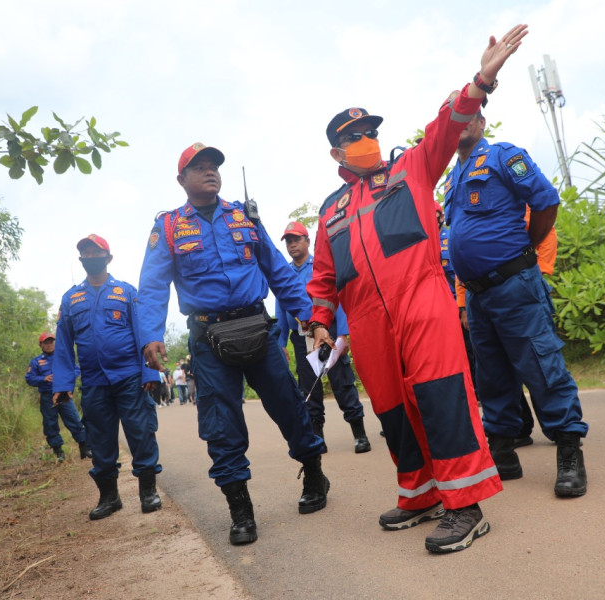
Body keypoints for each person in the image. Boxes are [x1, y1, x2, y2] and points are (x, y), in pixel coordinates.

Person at [307, 26, 527, 554]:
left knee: (441, 395)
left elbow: (446, 126)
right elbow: (322, 277)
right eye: (355, 134)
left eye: (370, 131)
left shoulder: (413, 167)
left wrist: (482, 80)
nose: (366, 140)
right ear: (337, 149)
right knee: (390, 407)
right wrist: (319, 320)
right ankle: (420, 493)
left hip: (421, 299)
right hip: (365, 321)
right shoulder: (330, 210)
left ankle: (466, 506)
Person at [137, 143, 328, 547]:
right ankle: (240, 510)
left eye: (214, 167)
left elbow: (278, 269)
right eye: (200, 168)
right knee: (221, 426)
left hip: (257, 327)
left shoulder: (244, 216)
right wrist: (151, 335)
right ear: (181, 180)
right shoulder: (169, 227)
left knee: (289, 405)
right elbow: (152, 286)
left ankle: (314, 473)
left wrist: (312, 319)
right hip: (208, 339)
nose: (210, 172)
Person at [444, 108, 589, 499]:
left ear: (481, 124)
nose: (463, 124)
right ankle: (505, 454)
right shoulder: (452, 178)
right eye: (455, 118)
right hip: (477, 294)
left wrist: (524, 247)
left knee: (542, 366)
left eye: (469, 116)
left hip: (515, 284)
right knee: (491, 376)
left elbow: (546, 202)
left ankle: (569, 452)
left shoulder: (504, 156)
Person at [53, 234, 163, 520]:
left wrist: (149, 371)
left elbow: (143, 333)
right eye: (85, 253)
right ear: (81, 260)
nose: (90, 257)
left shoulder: (126, 292)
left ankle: (148, 492)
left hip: (129, 377)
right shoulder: (71, 298)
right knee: (99, 440)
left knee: (140, 433)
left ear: (108, 258)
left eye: (95, 252)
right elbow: (64, 345)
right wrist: (63, 384)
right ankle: (109, 497)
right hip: (93, 382)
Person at [453, 205, 558, 447]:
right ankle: (519, 429)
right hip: (481, 297)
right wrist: (463, 305)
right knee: (499, 369)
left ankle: (557, 428)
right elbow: (463, 261)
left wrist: (535, 272)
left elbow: (546, 232)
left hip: (522, 288)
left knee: (536, 362)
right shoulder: (463, 207)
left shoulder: (513, 200)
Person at [276, 221, 371, 454]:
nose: (292, 245)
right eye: (288, 241)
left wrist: (344, 333)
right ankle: (318, 438)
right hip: (301, 338)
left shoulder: (320, 266)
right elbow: (280, 309)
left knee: (342, 383)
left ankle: (359, 434)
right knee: (309, 390)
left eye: (296, 239)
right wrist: (280, 343)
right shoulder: (284, 273)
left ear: (307, 241)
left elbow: (336, 298)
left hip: (328, 332)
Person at [24, 332, 90, 462]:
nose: (49, 345)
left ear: (55, 343)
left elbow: (76, 370)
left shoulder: (63, 357)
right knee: (50, 424)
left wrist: (66, 379)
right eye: (46, 343)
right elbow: (29, 378)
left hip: (63, 394)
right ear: (40, 344)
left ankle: (84, 447)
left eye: (51, 342)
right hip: (47, 396)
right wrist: (43, 378)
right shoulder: (36, 361)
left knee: (74, 420)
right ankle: (58, 451)